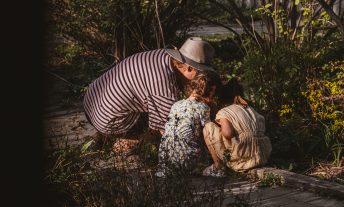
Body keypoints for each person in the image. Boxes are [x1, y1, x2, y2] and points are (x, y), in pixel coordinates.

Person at [82, 37, 217, 148]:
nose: (201, 78)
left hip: (90, 102)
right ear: (188, 68)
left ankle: (105, 134)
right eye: (200, 73)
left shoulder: (162, 56)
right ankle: (129, 142)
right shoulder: (163, 85)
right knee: (161, 129)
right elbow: (169, 130)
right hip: (107, 119)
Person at [202, 78, 272, 177]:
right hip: (262, 154)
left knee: (208, 127)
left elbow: (228, 133)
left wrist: (221, 130)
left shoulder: (225, 112)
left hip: (243, 154)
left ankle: (218, 166)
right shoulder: (250, 109)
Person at [155, 73, 218, 178]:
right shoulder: (203, 107)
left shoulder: (176, 104)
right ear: (208, 91)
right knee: (207, 133)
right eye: (213, 92)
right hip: (186, 160)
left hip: (165, 161)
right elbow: (208, 133)